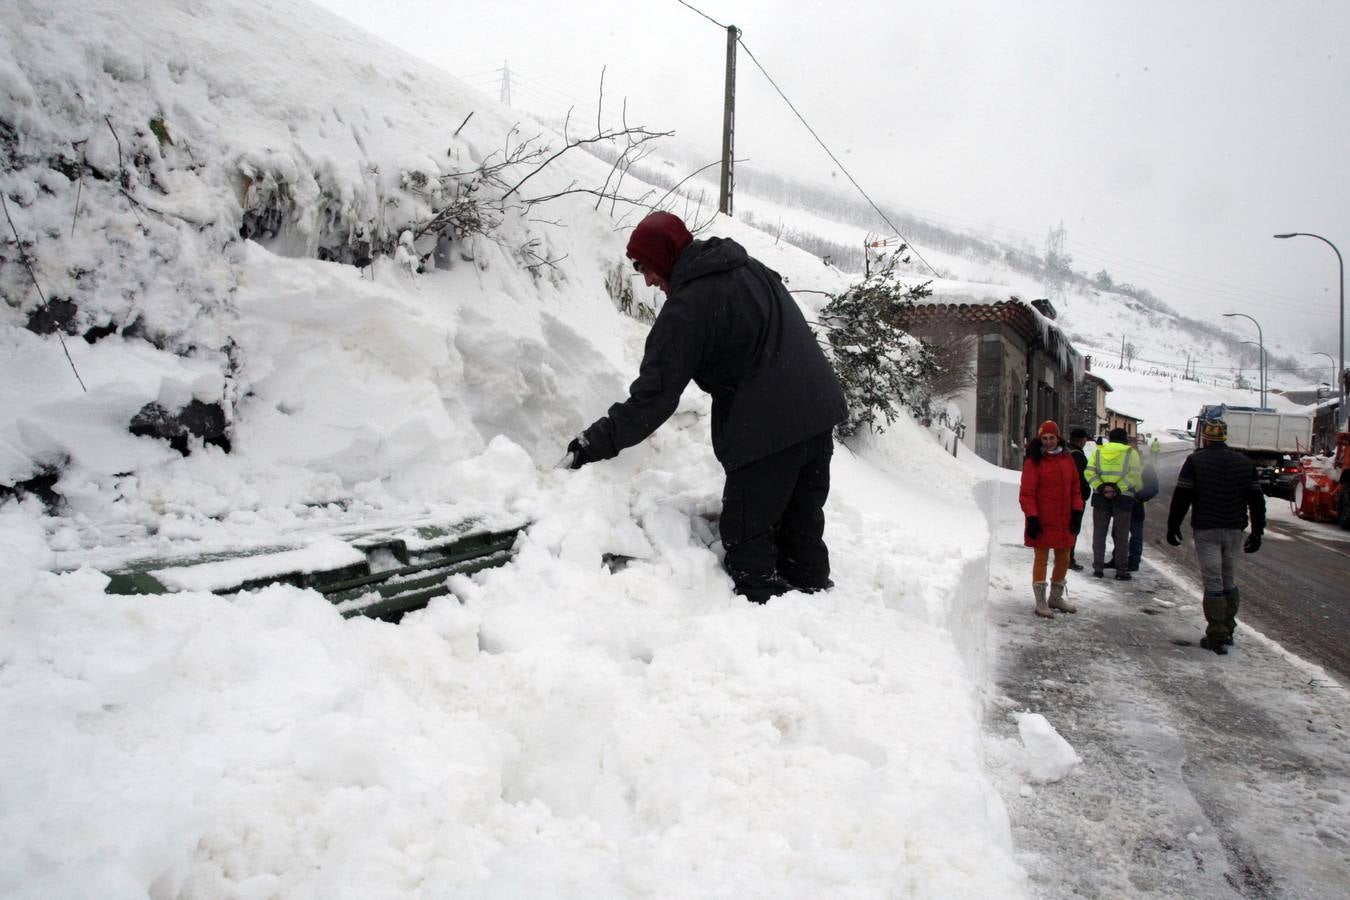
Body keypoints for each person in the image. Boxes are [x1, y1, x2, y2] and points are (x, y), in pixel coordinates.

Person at [565, 211, 848, 604]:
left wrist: (593, 443)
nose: (645, 278)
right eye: (636, 268)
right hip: (818, 411)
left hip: (769, 426)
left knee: (748, 542)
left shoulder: (688, 307)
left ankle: (765, 629)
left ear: (665, 255)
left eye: (645, 266)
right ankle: (815, 602)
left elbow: (654, 397)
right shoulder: (746, 266)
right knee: (801, 529)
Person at [1165, 418, 1266, 655]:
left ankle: (1216, 634)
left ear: (1206, 438)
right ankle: (1229, 629)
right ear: (1225, 437)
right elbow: (1256, 499)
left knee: (1213, 581)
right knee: (1229, 578)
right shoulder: (1244, 462)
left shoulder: (1195, 461)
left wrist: (1173, 526)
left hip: (1207, 528)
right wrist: (1258, 531)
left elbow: (1182, 496)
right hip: (1234, 529)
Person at [1018, 420, 1085, 617]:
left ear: (1058, 438)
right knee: (1041, 559)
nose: (1048, 442)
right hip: (1042, 520)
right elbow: (1027, 493)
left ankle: (1055, 597)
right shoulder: (1034, 462)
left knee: (1063, 559)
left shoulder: (1067, 460)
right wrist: (1032, 517)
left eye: (1051, 438)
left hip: (1064, 520)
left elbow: (1075, 488)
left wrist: (1077, 511)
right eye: (1044, 438)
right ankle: (1040, 600)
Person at [1085, 427, 1144, 580]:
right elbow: (1135, 475)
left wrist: (1101, 487)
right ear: (1125, 439)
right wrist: (1118, 488)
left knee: (1099, 534)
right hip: (1123, 499)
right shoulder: (1131, 453)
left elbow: (1089, 472)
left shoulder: (1098, 451)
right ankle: (1121, 570)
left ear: (1109, 438)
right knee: (1122, 535)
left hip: (1100, 498)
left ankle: (1098, 568)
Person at [1126, 437, 1161, 572]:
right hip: (1123, 503)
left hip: (1135, 504)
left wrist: (1138, 497)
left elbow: (1153, 487)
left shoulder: (1145, 465)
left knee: (1135, 534)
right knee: (1119, 533)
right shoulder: (1123, 461)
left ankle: (1133, 560)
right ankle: (1120, 558)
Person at [1066, 427, 1092, 571]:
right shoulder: (1078, 456)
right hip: (1075, 498)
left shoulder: (1065, 452)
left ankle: (1065, 557)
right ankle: (1068, 558)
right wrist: (1086, 493)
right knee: (1073, 528)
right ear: (1082, 440)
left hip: (1064, 497)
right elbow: (1080, 479)